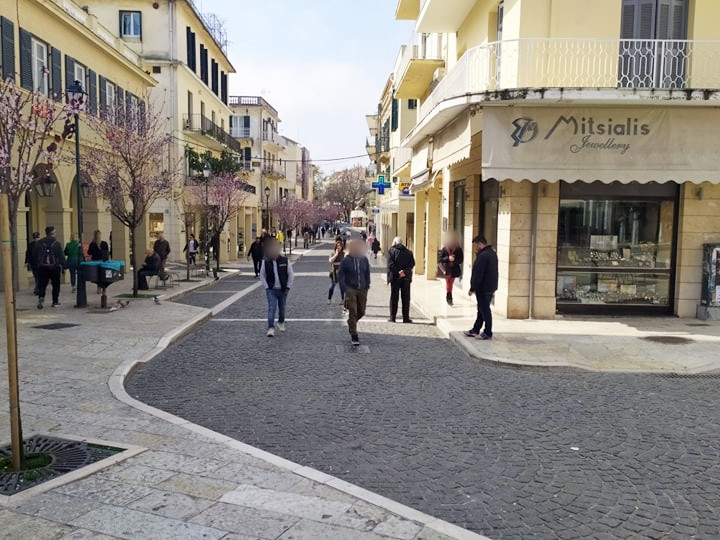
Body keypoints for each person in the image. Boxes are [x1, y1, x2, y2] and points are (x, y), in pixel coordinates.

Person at [465, 235, 499, 340]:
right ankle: (476, 329)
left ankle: (488, 332)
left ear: (479, 244)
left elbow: (478, 274)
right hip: (490, 286)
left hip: (483, 287)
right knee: (481, 309)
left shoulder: (483, 256)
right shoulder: (492, 253)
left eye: (475, 246)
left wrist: (472, 288)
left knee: (484, 310)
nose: (475, 248)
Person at [339, 238, 371, 346]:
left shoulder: (364, 259)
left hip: (362, 288)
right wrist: (345, 289)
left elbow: (367, 273)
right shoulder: (346, 260)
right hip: (350, 289)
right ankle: (354, 334)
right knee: (353, 311)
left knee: (361, 311)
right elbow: (341, 275)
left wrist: (367, 286)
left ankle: (351, 322)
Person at [260, 239, 294, 337]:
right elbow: (262, 275)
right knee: (272, 308)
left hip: (283, 289)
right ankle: (271, 328)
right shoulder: (266, 262)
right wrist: (266, 287)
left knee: (282, 308)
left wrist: (288, 287)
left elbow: (291, 274)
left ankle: (281, 322)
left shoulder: (285, 261)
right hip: (271, 290)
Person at [32, 226, 66, 309]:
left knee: (42, 284)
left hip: (42, 267)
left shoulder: (39, 243)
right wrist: (64, 266)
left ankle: (41, 298)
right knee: (56, 285)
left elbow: (34, 255)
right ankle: (55, 301)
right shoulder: (57, 244)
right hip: (54, 267)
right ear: (53, 233)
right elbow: (61, 256)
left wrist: (36, 266)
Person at [387, 237, 415, 323]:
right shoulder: (409, 252)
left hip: (395, 277)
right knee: (406, 298)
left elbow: (390, 264)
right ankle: (406, 318)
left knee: (394, 297)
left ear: (395, 243)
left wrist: (398, 272)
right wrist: (404, 272)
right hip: (406, 278)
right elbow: (412, 263)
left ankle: (393, 317)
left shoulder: (391, 251)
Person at [438, 232, 464, 306]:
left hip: (454, 269)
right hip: (446, 269)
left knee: (450, 282)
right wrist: (448, 258)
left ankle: (449, 294)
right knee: (448, 282)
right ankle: (449, 296)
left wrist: (454, 260)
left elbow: (460, 260)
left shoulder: (458, 249)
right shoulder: (444, 249)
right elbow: (440, 259)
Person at [88, 230, 110, 294]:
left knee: (99, 276)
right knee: (102, 275)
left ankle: (100, 288)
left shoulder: (93, 244)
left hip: (97, 262)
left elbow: (89, 252)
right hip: (101, 261)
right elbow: (107, 252)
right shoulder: (103, 243)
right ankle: (102, 288)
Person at [328, 239, 346, 305]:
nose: (339, 247)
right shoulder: (332, 253)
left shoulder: (343, 254)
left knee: (342, 286)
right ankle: (329, 299)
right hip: (334, 273)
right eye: (337, 246)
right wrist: (336, 254)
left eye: (340, 246)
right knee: (332, 286)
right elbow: (330, 261)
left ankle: (342, 300)